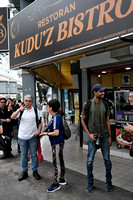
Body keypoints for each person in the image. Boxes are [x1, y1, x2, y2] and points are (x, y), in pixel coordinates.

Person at [81, 83, 113, 192]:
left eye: (103, 91)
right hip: (93, 137)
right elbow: (82, 120)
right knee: (89, 161)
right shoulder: (88, 104)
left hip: (104, 136)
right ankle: (90, 183)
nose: (103, 93)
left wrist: (109, 136)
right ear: (95, 92)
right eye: (100, 91)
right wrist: (89, 135)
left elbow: (107, 120)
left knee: (107, 159)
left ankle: (109, 182)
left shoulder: (105, 103)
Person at [11, 94, 42, 181]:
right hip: (22, 137)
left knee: (34, 155)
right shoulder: (20, 110)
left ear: (32, 102)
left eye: (29, 101)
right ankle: (24, 172)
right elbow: (12, 117)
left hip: (33, 137)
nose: (28, 102)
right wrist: (18, 110)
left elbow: (40, 123)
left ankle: (35, 171)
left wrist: (38, 131)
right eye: (26, 101)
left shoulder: (36, 111)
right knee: (24, 156)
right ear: (24, 101)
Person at [40, 99, 66, 193]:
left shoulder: (56, 118)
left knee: (57, 162)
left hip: (57, 142)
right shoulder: (56, 116)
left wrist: (46, 133)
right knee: (60, 160)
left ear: (51, 108)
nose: (47, 107)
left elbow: (56, 133)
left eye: (48, 106)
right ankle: (61, 179)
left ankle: (56, 183)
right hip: (58, 142)